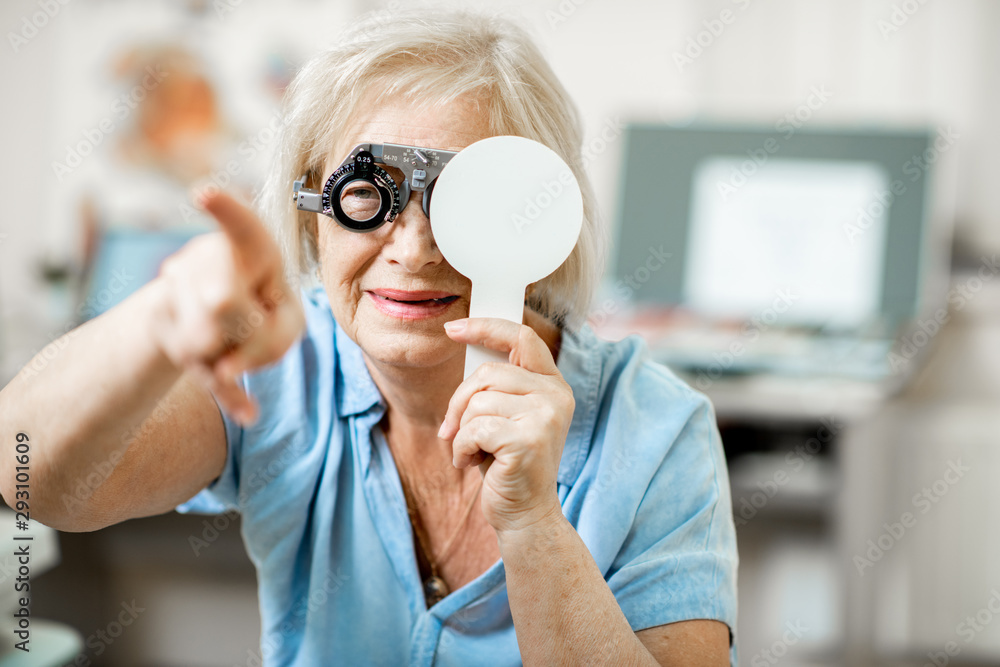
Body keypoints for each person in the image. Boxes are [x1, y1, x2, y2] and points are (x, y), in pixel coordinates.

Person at [0, 8, 738, 666]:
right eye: (365, 193)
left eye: (463, 200)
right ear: (310, 209)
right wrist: (157, 319)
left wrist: (535, 525)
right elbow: (29, 475)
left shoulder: (655, 430)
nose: (413, 248)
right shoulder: (282, 369)